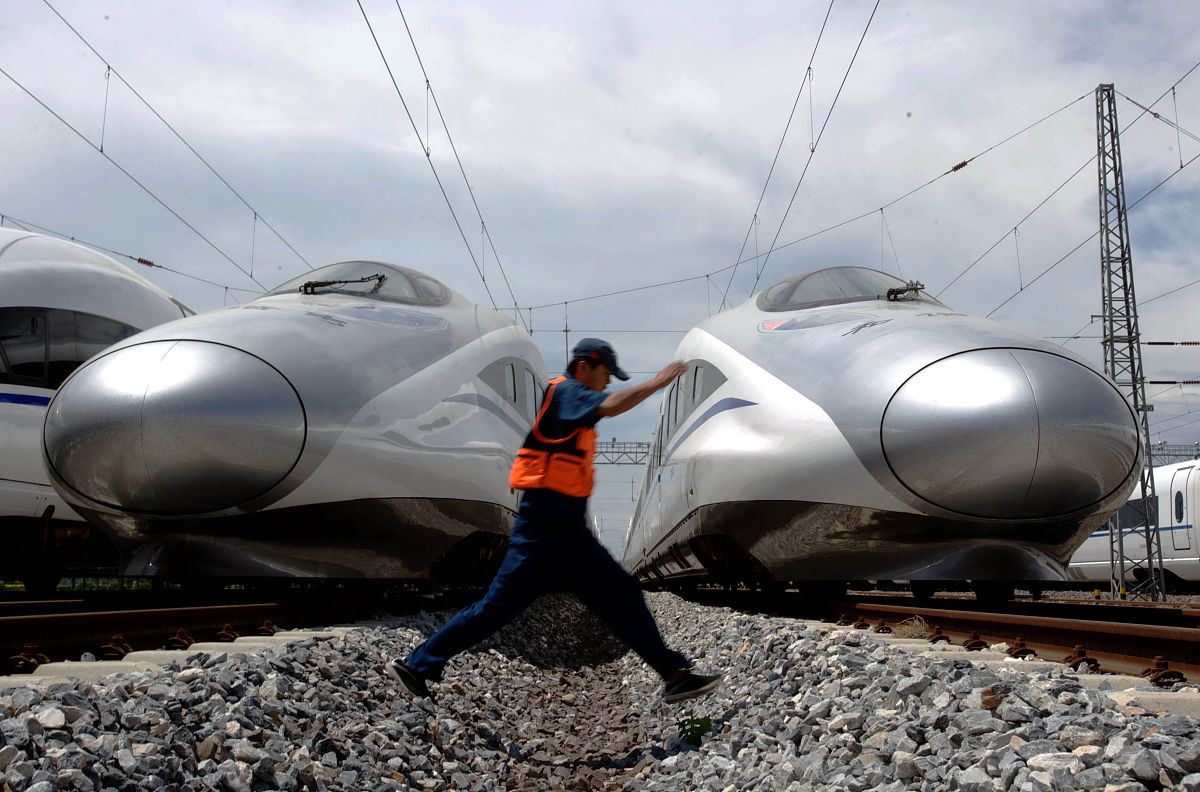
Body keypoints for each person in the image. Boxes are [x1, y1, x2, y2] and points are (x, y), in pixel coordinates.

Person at [387, 338, 722, 705]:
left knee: (623, 594)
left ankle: (674, 676)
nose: (607, 382)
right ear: (585, 366)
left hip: (569, 532)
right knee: (495, 608)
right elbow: (610, 405)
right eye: (606, 373)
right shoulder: (568, 393)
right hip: (542, 529)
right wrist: (657, 383)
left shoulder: (573, 404)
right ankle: (416, 664)